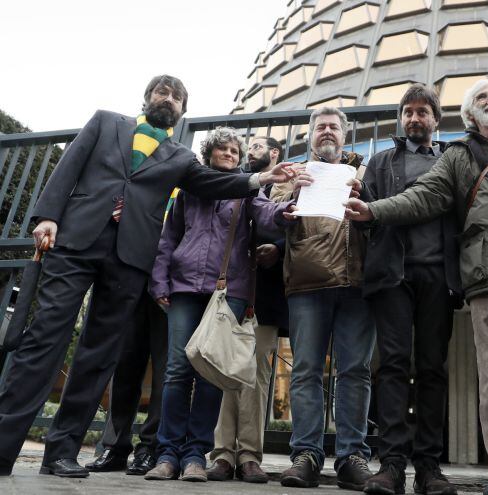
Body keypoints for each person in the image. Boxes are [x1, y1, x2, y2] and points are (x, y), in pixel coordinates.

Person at [0, 75, 295, 478]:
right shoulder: (106, 122)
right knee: (45, 338)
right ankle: (2, 444)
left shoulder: (180, 157)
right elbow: (69, 166)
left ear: (182, 111)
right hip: (76, 240)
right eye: (162, 92)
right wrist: (47, 215)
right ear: (147, 97)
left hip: (130, 258)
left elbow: (211, 183)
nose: (168, 99)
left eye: (176, 97)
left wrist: (258, 179)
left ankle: (61, 451)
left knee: (99, 353)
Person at [345, 78, 488, 495]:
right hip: (484, 274)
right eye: (480, 98)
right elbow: (423, 197)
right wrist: (373, 210)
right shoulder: (455, 157)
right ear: (467, 115)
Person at [144, 127, 292, 482]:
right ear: (208, 153)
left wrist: (290, 209)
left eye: (233, 150)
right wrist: (159, 281)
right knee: (177, 370)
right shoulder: (188, 191)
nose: (228, 153)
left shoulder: (246, 189)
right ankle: (167, 454)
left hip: (229, 290)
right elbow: (169, 238)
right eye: (221, 149)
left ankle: (196, 454)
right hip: (183, 288)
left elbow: (269, 213)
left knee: (211, 373)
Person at [355, 84, 461, 495]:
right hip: (393, 277)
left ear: (436, 120)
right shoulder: (379, 162)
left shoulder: (452, 161)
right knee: (394, 366)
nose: (414, 118)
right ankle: (392, 464)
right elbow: (364, 218)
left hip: (439, 276)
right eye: (408, 112)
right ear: (401, 119)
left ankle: (430, 467)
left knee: (433, 368)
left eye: (423, 112)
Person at [271, 107, 375, 491]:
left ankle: (352, 457)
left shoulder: (364, 173)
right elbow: (270, 213)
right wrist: (292, 194)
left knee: (355, 372)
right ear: (310, 136)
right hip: (307, 281)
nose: (327, 132)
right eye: (320, 127)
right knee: (306, 371)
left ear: (345, 135)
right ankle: (307, 455)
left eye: (334, 126)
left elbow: (382, 215)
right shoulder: (294, 172)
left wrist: (369, 200)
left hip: (357, 282)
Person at [206, 136, 288, 484]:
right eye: (245, 146)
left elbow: (298, 228)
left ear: (274, 154)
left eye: (255, 146)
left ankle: (250, 455)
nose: (247, 151)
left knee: (256, 374)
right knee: (226, 369)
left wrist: (279, 248)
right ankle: (223, 454)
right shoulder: (235, 184)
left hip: (268, 293)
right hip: (233, 289)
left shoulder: (288, 182)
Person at [85, 289, 168, 476]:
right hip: (133, 280)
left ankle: (150, 448)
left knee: (165, 372)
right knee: (124, 365)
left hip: (174, 281)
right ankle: (115, 447)